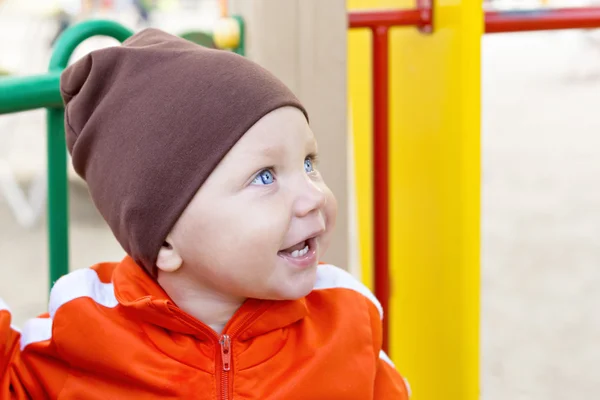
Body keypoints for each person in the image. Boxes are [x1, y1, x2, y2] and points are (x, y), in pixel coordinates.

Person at [0, 28, 411, 399]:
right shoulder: (79, 333)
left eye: (308, 163)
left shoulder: (348, 321)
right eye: (265, 176)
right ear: (164, 241)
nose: (313, 196)